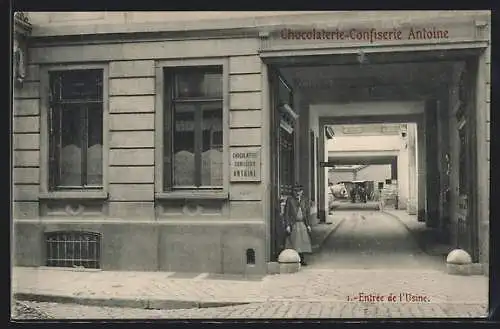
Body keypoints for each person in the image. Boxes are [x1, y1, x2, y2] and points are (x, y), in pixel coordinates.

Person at [283, 184, 313, 266]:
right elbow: (286, 214)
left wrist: (308, 225)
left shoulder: (304, 200)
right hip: (294, 223)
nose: (297, 193)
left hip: (302, 223)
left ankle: (302, 259)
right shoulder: (290, 200)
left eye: (299, 191)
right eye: (296, 191)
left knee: (303, 242)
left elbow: (307, 214)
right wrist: (288, 225)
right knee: (294, 242)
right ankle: (293, 258)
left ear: (302, 192)